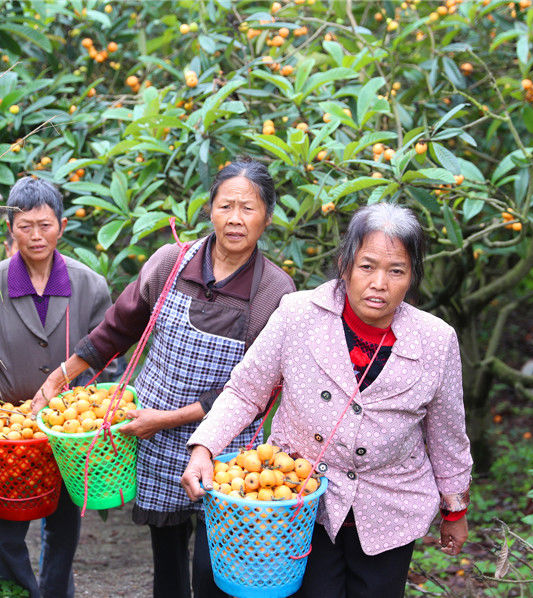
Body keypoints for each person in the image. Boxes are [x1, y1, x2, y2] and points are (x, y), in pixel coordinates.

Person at [34, 158, 296, 598]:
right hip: (151, 429)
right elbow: (118, 327)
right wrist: (62, 376)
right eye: (226, 205)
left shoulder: (275, 291)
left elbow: (256, 390)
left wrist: (166, 419)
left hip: (228, 443)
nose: (235, 219)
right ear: (209, 209)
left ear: (267, 217)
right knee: (168, 562)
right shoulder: (172, 262)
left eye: (248, 209)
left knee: (217, 562)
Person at [182, 202, 473, 598]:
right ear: (345, 264)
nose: (379, 283)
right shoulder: (298, 314)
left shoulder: (436, 341)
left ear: (412, 278)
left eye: (396, 271)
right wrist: (204, 447)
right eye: (367, 266)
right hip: (300, 503)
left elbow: (447, 434)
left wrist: (455, 510)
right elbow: (246, 390)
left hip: (392, 510)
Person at [0, 176, 112, 598]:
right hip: (5, 436)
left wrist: (92, 407)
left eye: (45, 225)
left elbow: (105, 357)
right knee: (5, 535)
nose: (36, 235)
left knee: (62, 529)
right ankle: (23, 592)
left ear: (61, 225)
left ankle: (55, 593)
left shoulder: (90, 286)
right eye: (26, 226)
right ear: (11, 227)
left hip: (65, 432)